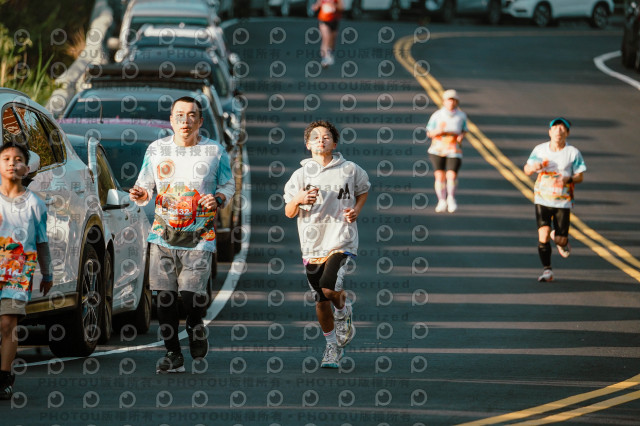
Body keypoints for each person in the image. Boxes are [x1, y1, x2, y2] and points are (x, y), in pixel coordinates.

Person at [130, 96, 235, 373]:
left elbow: (228, 185)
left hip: (200, 237)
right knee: (164, 299)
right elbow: (145, 185)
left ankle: (195, 324)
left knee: (190, 298)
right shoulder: (157, 150)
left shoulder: (214, 151)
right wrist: (140, 194)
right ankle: (173, 354)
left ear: (200, 121)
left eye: (191, 115)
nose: (185, 120)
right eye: (179, 115)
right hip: (162, 235)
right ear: (171, 120)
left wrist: (218, 199)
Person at [284, 120, 370, 368]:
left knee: (330, 287)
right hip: (312, 245)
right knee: (321, 300)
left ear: (334, 143)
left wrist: (356, 209)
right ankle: (332, 347)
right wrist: (299, 198)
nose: (321, 140)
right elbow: (289, 212)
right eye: (315, 137)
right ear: (307, 144)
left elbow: (363, 190)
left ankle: (343, 311)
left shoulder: (350, 169)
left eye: (326, 137)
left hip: (341, 239)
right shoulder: (300, 175)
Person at [0, 142, 52, 399]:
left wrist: (48, 273)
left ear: (27, 168)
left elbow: (42, 242)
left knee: (7, 322)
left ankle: (3, 377)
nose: (12, 163)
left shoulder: (35, 204)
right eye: (6, 158)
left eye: (18, 159)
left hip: (19, 271)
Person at [524, 117, 586, 282]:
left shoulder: (572, 153)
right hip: (542, 198)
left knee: (560, 239)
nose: (559, 131)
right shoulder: (540, 150)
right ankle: (547, 270)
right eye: (555, 128)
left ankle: (560, 240)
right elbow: (527, 169)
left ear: (567, 133)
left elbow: (580, 176)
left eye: (562, 128)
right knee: (542, 234)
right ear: (550, 132)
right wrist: (533, 167)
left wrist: (569, 178)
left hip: (562, 201)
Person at [426, 89, 468, 213]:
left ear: (457, 102)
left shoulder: (461, 116)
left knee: (452, 175)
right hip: (437, 149)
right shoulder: (437, 115)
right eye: (449, 100)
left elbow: (464, 129)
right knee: (439, 175)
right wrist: (438, 131)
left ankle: (451, 198)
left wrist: (461, 136)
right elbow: (429, 132)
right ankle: (441, 200)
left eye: (453, 100)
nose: (451, 103)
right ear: (444, 102)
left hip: (454, 149)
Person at [311, 0, 344, 68]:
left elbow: (341, 7)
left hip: (334, 20)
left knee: (332, 40)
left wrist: (334, 6)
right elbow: (318, 4)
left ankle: (329, 53)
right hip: (323, 19)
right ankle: (325, 58)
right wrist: (315, 7)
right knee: (326, 38)